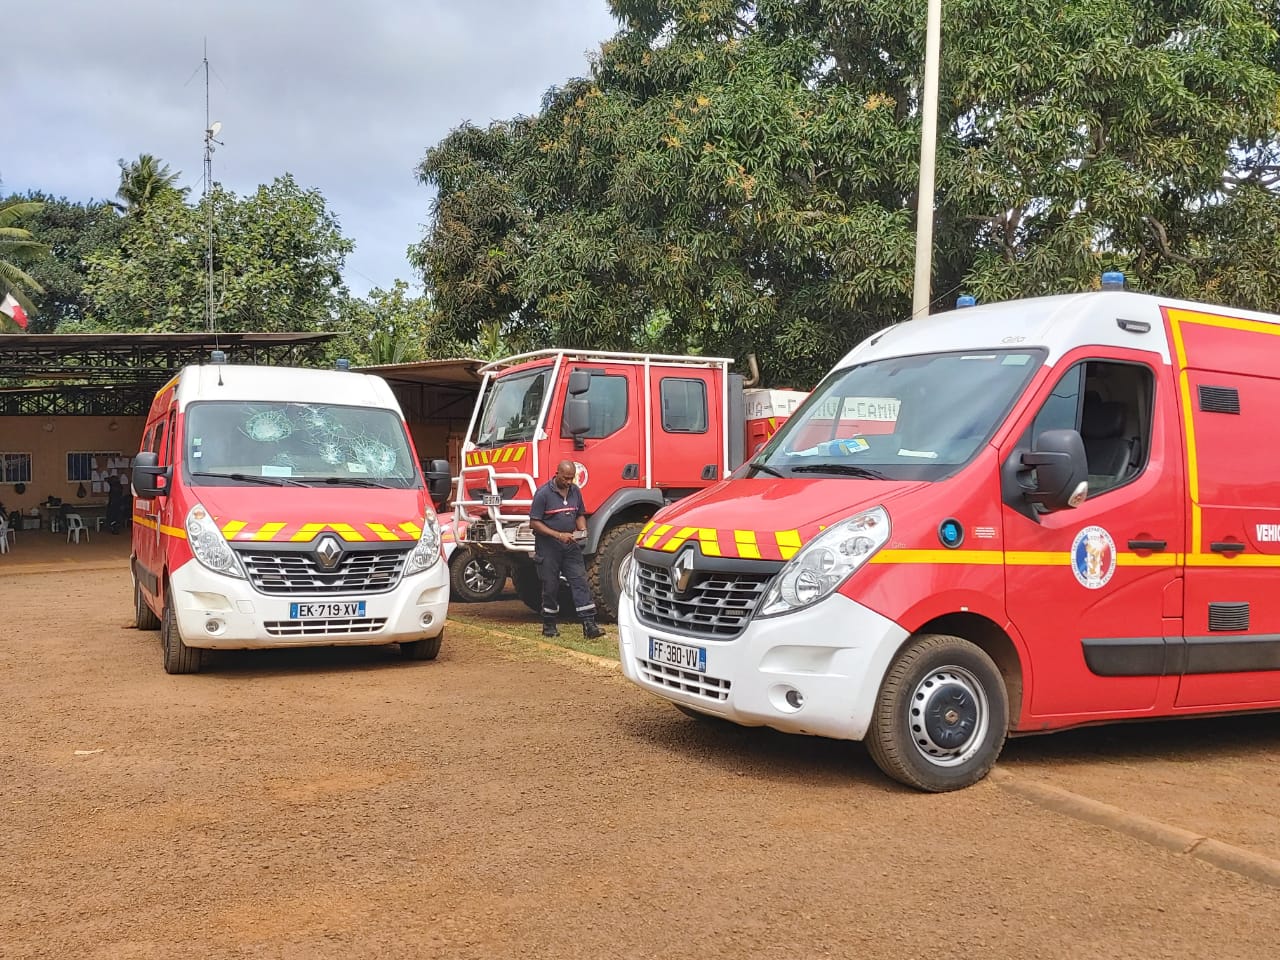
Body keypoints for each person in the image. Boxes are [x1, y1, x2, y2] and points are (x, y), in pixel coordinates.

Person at [528, 459, 603, 639]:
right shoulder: (543, 494)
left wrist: (582, 529)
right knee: (551, 585)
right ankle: (549, 625)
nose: (569, 482)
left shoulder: (575, 491)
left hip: (571, 546)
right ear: (557, 474)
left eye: (571, 478)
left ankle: (589, 625)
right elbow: (534, 523)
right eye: (566, 478)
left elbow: (579, 514)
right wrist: (557, 534)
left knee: (580, 581)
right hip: (548, 547)